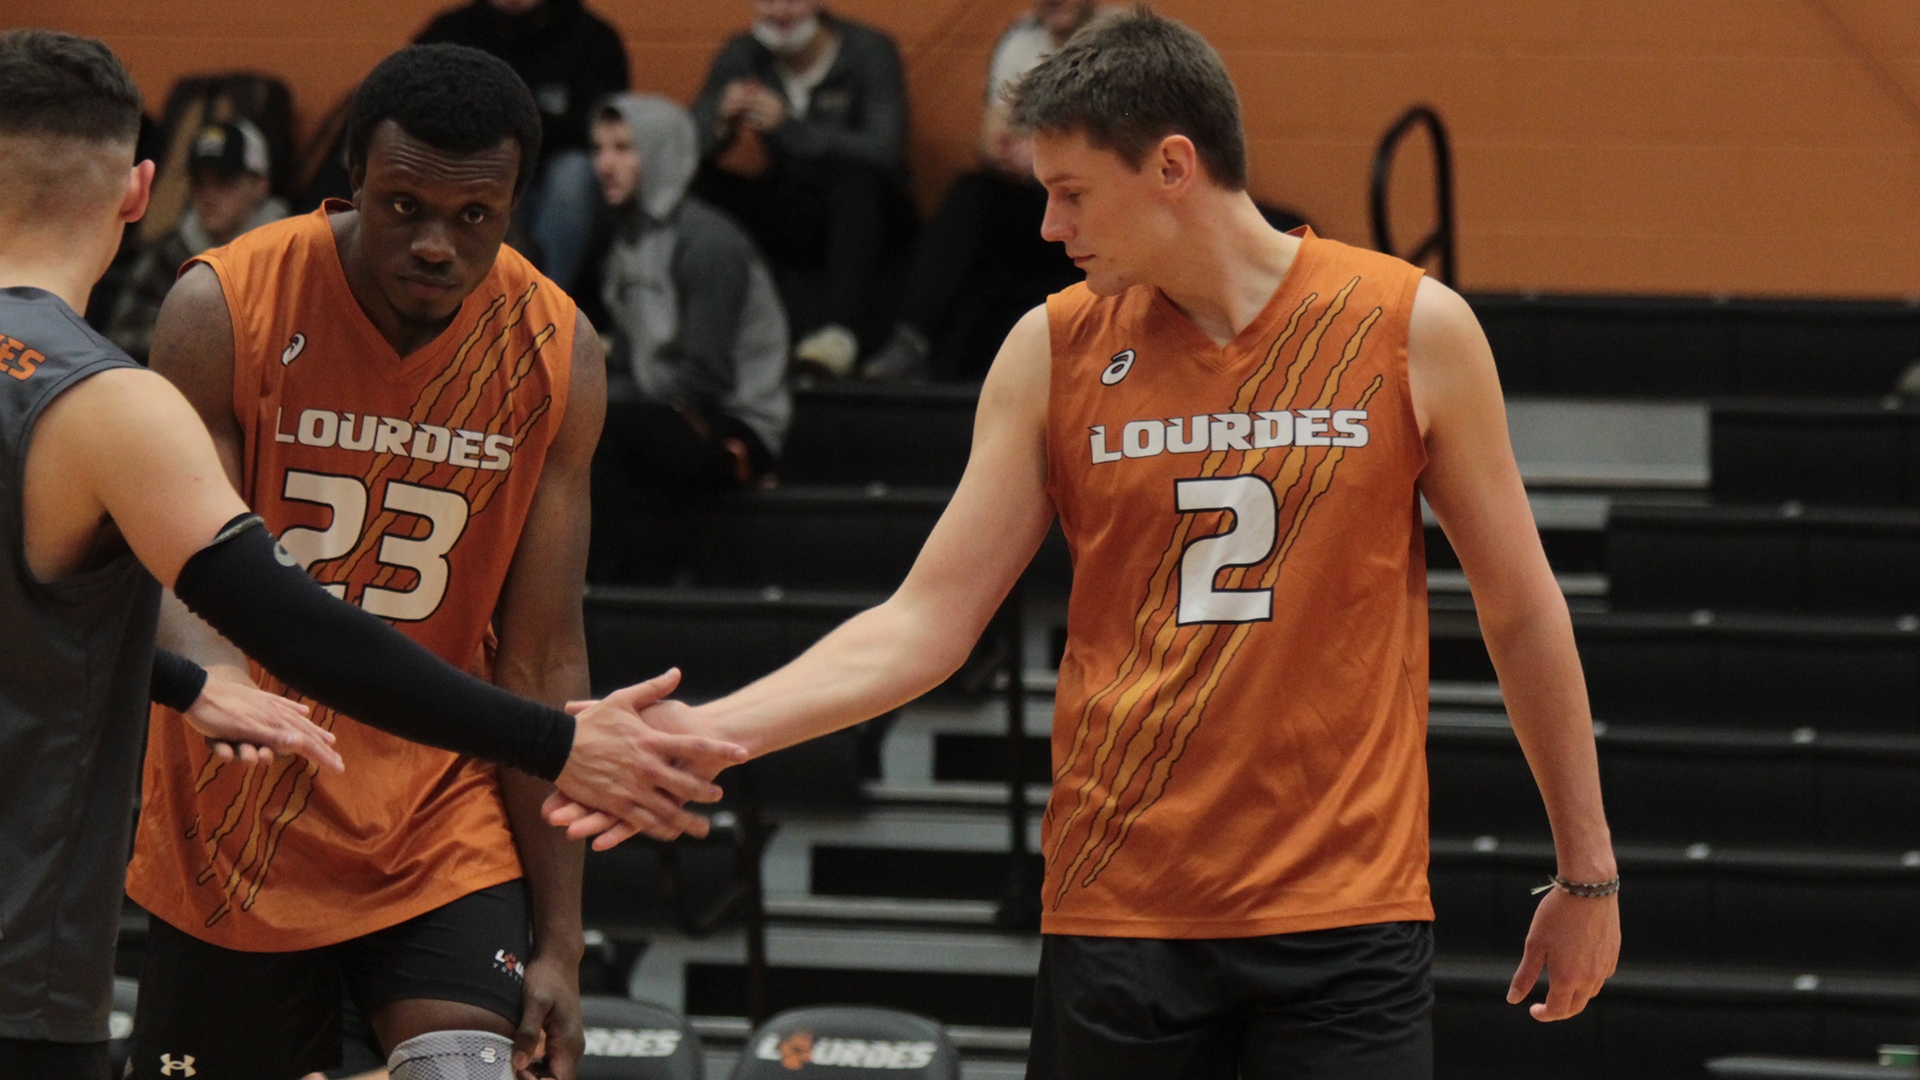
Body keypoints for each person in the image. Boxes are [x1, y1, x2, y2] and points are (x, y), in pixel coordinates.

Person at [552, 11, 1621, 1078]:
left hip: (1345, 918)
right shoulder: (1051, 349)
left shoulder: (1407, 325)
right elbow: (925, 621)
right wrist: (708, 731)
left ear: (1171, 166)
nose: (1050, 228)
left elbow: (1522, 609)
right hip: (1120, 912)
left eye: (1071, 193)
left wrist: (1588, 876)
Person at [0, 29, 743, 1080]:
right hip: (244, 815)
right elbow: (197, 575)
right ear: (350, 184)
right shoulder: (223, 304)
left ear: (516, 205)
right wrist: (210, 675)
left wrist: (564, 943)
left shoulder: (555, 348)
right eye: (405, 207)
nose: (438, 243)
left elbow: (541, 648)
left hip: (441, 816)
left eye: (475, 216)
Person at [863, 0, 1097, 381]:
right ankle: (912, 339)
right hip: (1033, 200)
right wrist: (1000, 149)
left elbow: (1129, 153)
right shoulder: (1021, 42)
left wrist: (1044, 155)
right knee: (971, 193)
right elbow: (990, 137)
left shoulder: (1124, 45)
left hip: (1094, 210)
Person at [689, 0, 911, 377]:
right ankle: (692, 332)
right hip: (792, 205)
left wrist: (788, 127)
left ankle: (839, 335)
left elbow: (884, 150)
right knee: (697, 184)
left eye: (790, 1)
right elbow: (683, 145)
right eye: (767, 1)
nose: (778, 13)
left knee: (853, 178)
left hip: (867, 209)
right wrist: (719, 125)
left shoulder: (868, 49)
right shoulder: (743, 52)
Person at [586, 94, 789, 490]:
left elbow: (708, 376)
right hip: (661, 410)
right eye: (598, 149)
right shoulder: (626, 242)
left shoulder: (707, 242)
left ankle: (740, 469)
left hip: (736, 422)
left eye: (624, 149)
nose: (604, 166)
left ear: (661, 153)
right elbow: (629, 363)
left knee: (609, 435)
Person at [415, 0, 630, 293]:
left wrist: (506, 122)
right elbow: (413, 111)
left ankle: (539, 304)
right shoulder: (450, 33)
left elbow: (602, 131)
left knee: (574, 173)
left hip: (557, 191)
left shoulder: (593, 39)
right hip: (475, 172)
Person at [106, 118, 288, 361]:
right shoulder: (167, 253)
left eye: (224, 181)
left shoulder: (293, 252)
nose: (209, 196)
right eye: (199, 183)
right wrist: (205, 344)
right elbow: (121, 338)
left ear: (260, 185)